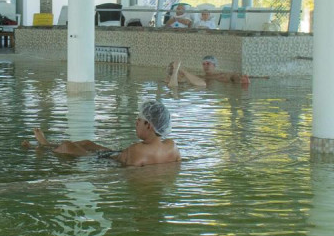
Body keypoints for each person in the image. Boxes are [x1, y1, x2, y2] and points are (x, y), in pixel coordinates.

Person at [25, 100, 181, 167]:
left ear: (149, 125)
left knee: (67, 146)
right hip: (117, 155)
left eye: (138, 119)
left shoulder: (137, 150)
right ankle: (47, 145)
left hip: (106, 162)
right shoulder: (171, 146)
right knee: (87, 143)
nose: (136, 122)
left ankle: (43, 146)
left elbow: (126, 172)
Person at [165, 57, 251, 88]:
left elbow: (234, 76)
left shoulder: (223, 75)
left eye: (208, 63)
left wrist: (240, 81)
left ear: (214, 65)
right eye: (204, 64)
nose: (206, 65)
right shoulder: (198, 76)